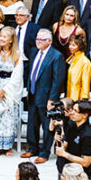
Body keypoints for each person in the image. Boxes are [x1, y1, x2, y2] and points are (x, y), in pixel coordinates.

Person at [22, 29, 66, 162]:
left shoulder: (56, 56)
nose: (38, 42)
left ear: (49, 41)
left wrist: (52, 99)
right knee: (32, 123)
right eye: (37, 39)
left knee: (47, 125)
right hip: (33, 93)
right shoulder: (34, 52)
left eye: (41, 40)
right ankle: (32, 148)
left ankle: (44, 152)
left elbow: (57, 80)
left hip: (47, 96)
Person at [0, 25, 24, 156]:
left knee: (8, 118)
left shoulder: (17, 54)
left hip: (10, 88)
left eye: (4, 37)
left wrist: (6, 90)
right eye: (0, 36)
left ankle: (8, 147)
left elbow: (17, 75)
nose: (1, 39)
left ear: (11, 40)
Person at [65, 31, 91, 101]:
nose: (70, 47)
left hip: (76, 98)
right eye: (70, 44)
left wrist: (83, 100)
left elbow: (85, 83)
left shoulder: (85, 62)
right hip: (68, 96)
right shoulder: (70, 58)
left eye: (74, 45)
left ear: (80, 46)